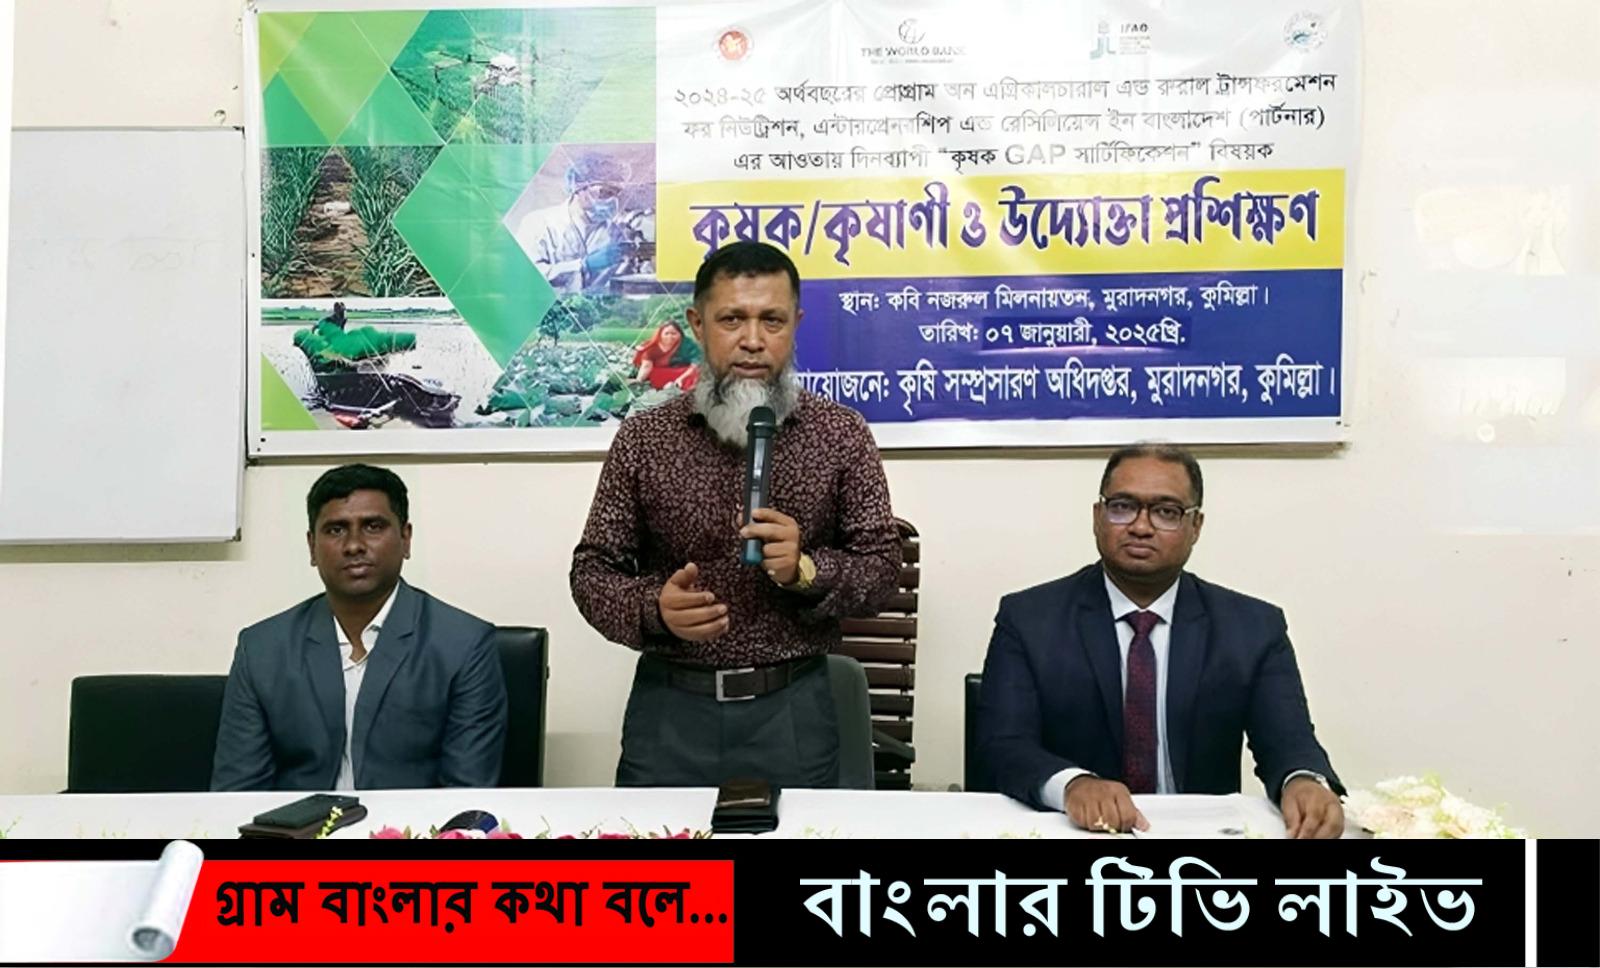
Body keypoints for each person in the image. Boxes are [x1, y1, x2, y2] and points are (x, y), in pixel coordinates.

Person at [570, 241, 902, 788]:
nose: (752, 340)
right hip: (671, 710)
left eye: (772, 320)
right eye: (732, 320)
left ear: (795, 325)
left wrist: (807, 570)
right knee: (657, 848)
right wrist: (654, 608)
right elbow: (592, 571)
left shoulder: (841, 435)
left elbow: (882, 569)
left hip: (793, 711)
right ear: (697, 325)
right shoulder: (645, 438)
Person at [977, 443, 1346, 838]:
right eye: (1122, 506)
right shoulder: (1029, 619)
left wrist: (1304, 781)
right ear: (1098, 516)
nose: (1140, 526)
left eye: (1166, 512)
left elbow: (1289, 742)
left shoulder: (1253, 627)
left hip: (1200, 841)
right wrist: (1072, 784)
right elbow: (1002, 746)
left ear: (1196, 526)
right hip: (1075, 832)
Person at [211, 464, 507, 791]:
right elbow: (237, 794)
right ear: (312, 546)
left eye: (373, 526)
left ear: (406, 538)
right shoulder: (262, 649)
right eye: (336, 529)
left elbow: (466, 793)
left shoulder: (463, 644)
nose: (354, 545)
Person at [514, 153, 632, 295]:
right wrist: (583, 265)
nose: (612, 200)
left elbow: (619, 282)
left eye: (616, 193)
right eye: (604, 192)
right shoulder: (538, 223)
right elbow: (526, 276)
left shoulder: (615, 233)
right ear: (578, 188)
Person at [632, 321, 701, 391]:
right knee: (652, 373)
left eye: (673, 333)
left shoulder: (688, 344)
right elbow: (646, 366)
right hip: (659, 373)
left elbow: (695, 364)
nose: (670, 337)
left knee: (696, 374)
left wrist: (681, 378)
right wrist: (638, 381)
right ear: (660, 334)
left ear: (680, 334)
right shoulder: (652, 346)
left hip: (684, 372)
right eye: (666, 333)